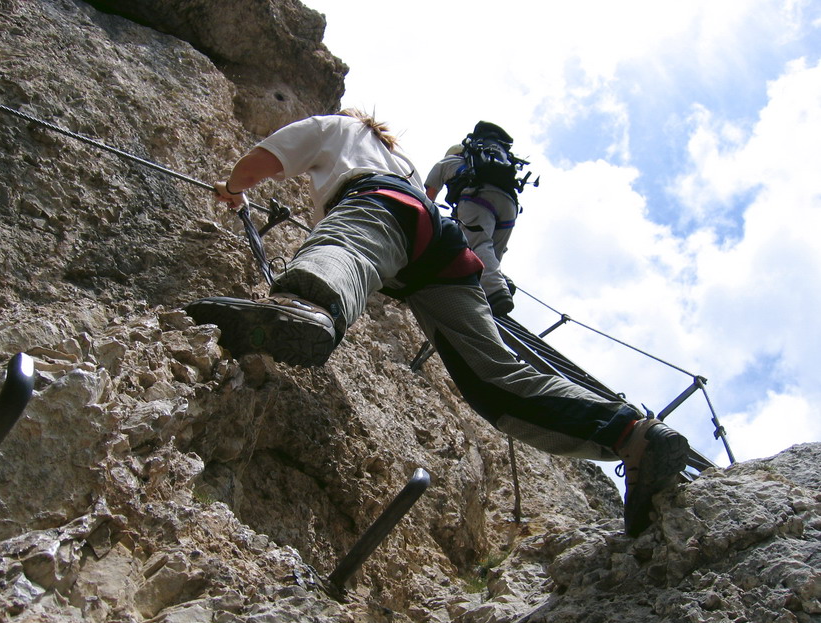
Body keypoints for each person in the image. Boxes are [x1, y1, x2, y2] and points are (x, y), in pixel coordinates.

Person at [185, 109, 691, 537]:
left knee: (350, 244)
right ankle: (632, 433)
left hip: (380, 204)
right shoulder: (398, 158)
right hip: (444, 247)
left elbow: (262, 162)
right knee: (493, 376)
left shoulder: (334, 127)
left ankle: (309, 307)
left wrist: (232, 189)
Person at [424, 122, 520, 317]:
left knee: (479, 244)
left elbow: (428, 198)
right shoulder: (488, 162)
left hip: (477, 197)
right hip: (509, 204)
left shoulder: (447, 163)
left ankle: (496, 291)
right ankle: (497, 280)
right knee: (492, 251)